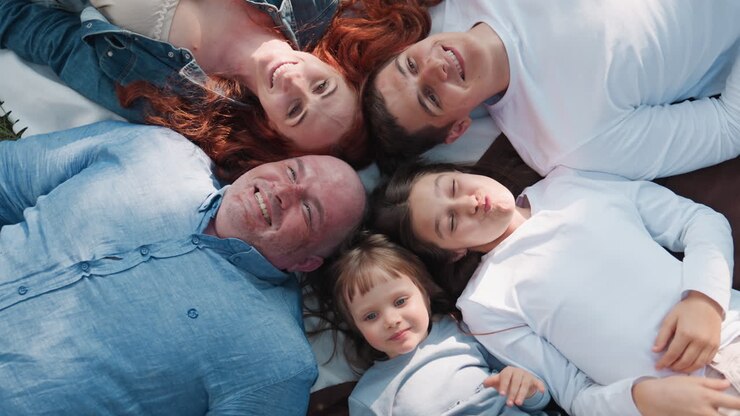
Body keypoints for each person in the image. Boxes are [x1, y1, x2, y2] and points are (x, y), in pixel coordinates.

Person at [0, 120, 366, 414]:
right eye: (291, 172)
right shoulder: (154, 152)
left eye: (308, 210)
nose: (283, 191)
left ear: (306, 262)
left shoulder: (275, 365)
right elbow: (7, 175)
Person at [372, 161, 740, 415]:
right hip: (680, 406)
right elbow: (575, 396)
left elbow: (698, 222)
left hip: (731, 333)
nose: (468, 202)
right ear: (452, 252)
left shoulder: (570, 184)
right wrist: (642, 398)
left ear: (460, 170)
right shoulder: (485, 306)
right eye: (450, 221)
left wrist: (704, 301)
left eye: (453, 186)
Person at [0, 0, 436, 180]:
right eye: (322, 85)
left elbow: (45, 37)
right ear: (336, 67)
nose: (293, 82)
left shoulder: (169, 96)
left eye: (296, 110)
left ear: (271, 127)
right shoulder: (311, 5)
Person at [364, 0, 740, 179]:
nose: (434, 67)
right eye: (430, 98)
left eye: (410, 65)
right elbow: (729, 126)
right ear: (458, 128)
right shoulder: (569, 141)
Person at [320, 232, 551, 415]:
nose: (391, 320)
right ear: (356, 327)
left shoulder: (462, 330)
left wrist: (527, 388)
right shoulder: (369, 397)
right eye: (370, 316)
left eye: (400, 301)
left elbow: (537, 398)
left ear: (425, 294)